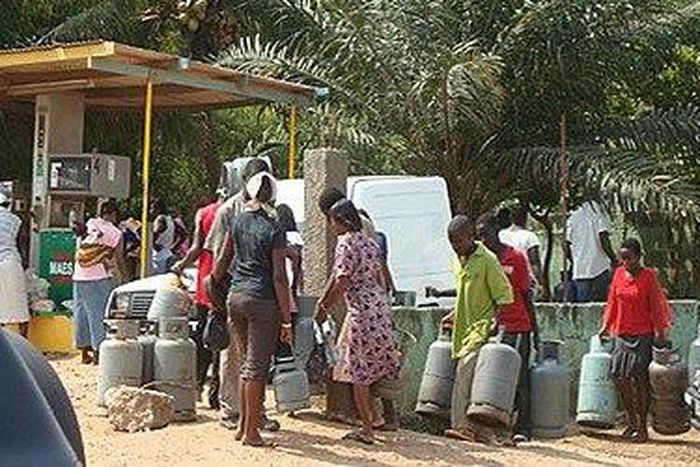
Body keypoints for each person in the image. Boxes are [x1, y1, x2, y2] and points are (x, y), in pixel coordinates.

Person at [208, 172, 292, 447]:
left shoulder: (238, 221)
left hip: (236, 298)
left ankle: (244, 427)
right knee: (256, 368)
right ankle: (252, 432)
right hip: (262, 302)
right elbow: (279, 277)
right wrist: (286, 319)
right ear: (273, 197)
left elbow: (221, 263)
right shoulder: (275, 227)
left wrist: (214, 290)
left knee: (247, 364)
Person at [315, 199, 400, 445]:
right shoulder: (371, 242)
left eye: (333, 222)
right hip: (379, 309)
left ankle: (367, 429)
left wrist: (324, 307)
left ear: (342, 221)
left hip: (361, 312)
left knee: (358, 373)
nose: (331, 227)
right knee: (374, 368)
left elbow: (342, 281)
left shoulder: (345, 243)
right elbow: (380, 276)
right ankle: (378, 418)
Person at [425, 215, 513, 444]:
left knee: (464, 375)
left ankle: (462, 427)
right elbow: (464, 291)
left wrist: (495, 322)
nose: (455, 247)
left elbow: (504, 296)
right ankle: (483, 433)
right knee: (473, 381)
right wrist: (454, 313)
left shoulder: (488, 260)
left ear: (470, 236)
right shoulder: (458, 260)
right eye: (451, 242)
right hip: (462, 330)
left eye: (458, 241)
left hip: (480, 329)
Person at [600, 238, 672, 443]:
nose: (625, 262)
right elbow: (612, 302)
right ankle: (631, 420)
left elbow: (657, 306)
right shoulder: (618, 274)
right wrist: (606, 326)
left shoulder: (649, 276)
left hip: (643, 334)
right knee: (619, 375)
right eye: (622, 258)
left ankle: (642, 427)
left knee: (640, 380)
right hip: (622, 333)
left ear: (638, 257)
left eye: (629, 258)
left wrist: (661, 333)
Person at [478, 212, 538, 444]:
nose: (483, 240)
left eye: (486, 234)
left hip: (517, 326)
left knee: (520, 377)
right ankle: (498, 422)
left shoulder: (516, 257)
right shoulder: (483, 259)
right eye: (480, 236)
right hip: (494, 328)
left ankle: (523, 427)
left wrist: (534, 330)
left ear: (497, 230)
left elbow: (526, 294)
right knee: (494, 378)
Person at [172, 196, 222, 409]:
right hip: (224, 284)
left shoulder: (203, 214)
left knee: (203, 337)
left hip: (205, 284)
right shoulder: (238, 210)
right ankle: (216, 392)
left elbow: (195, 249)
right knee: (222, 340)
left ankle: (198, 385)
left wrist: (181, 264)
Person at [72, 200, 126, 365]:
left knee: (81, 313)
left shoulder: (90, 223)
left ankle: (84, 352)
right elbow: (119, 259)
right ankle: (98, 352)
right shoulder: (115, 233)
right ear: (114, 214)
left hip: (79, 274)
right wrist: (125, 277)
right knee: (98, 314)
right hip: (98, 276)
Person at [567, 200, 617, 302]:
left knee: (584, 308)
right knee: (601, 306)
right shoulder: (597, 212)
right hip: (600, 268)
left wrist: (573, 260)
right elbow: (603, 238)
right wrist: (613, 259)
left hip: (580, 271)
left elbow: (565, 244)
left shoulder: (572, 217)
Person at [0, 188, 30, 338]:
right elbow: (22, 242)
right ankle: (25, 342)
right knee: (19, 304)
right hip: (11, 262)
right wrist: (24, 263)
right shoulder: (15, 220)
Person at [499, 206, 544, 296]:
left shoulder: (501, 235)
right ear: (525, 219)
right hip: (524, 277)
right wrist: (540, 282)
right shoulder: (530, 236)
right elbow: (534, 262)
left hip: (504, 275)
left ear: (511, 218)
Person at [152, 200, 176, 275]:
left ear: (159, 209)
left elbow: (156, 232)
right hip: (168, 252)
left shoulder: (160, 219)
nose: (151, 211)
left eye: (153, 208)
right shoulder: (169, 218)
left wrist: (152, 242)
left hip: (159, 256)